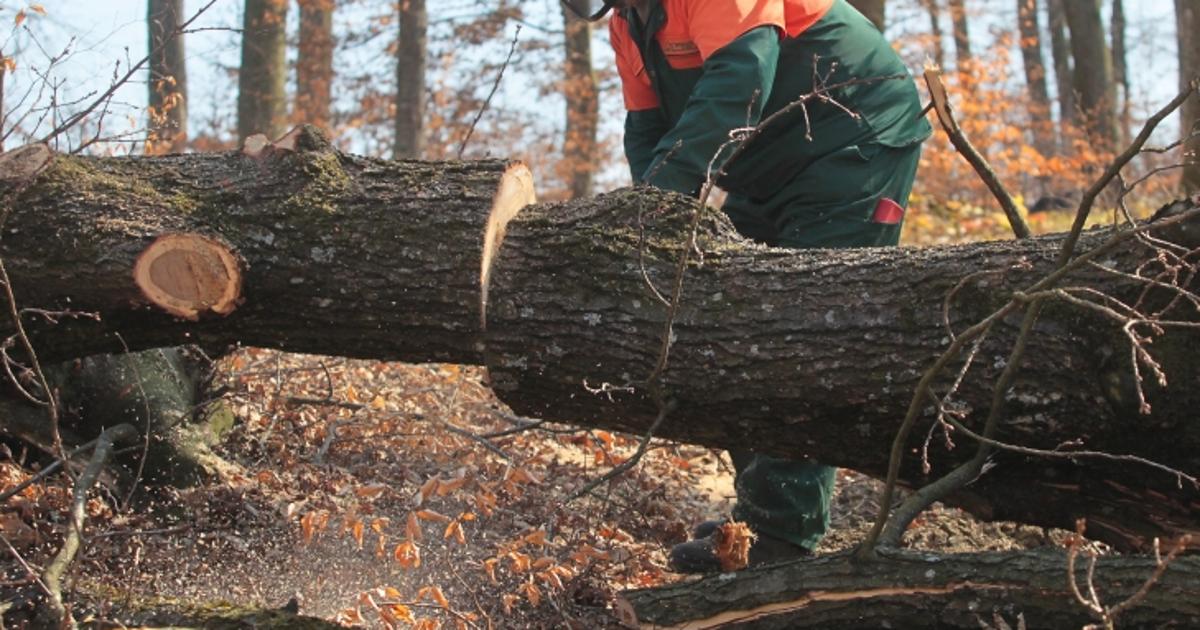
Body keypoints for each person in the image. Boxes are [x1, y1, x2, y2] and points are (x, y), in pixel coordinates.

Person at [562, 0, 931, 572]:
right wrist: (648, 218)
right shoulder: (629, 23)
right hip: (767, 161)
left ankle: (781, 535)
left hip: (854, 138)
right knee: (728, 317)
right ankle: (758, 516)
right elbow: (647, 126)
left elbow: (738, 82)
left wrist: (664, 199)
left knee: (803, 330)